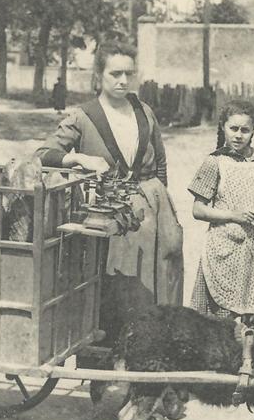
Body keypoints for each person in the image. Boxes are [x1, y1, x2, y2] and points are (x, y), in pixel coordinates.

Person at [36, 40, 184, 321]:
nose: (123, 80)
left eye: (129, 73)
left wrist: (161, 201)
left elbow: (160, 162)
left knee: (161, 281)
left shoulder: (144, 112)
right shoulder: (82, 116)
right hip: (109, 214)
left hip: (154, 212)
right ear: (98, 75)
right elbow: (43, 154)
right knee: (118, 287)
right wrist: (80, 159)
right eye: (115, 74)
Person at [188, 101, 254, 319]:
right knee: (221, 320)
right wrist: (234, 215)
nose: (239, 135)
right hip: (226, 249)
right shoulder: (214, 162)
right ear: (223, 127)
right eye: (233, 129)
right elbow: (198, 209)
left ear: (253, 132)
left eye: (245, 130)